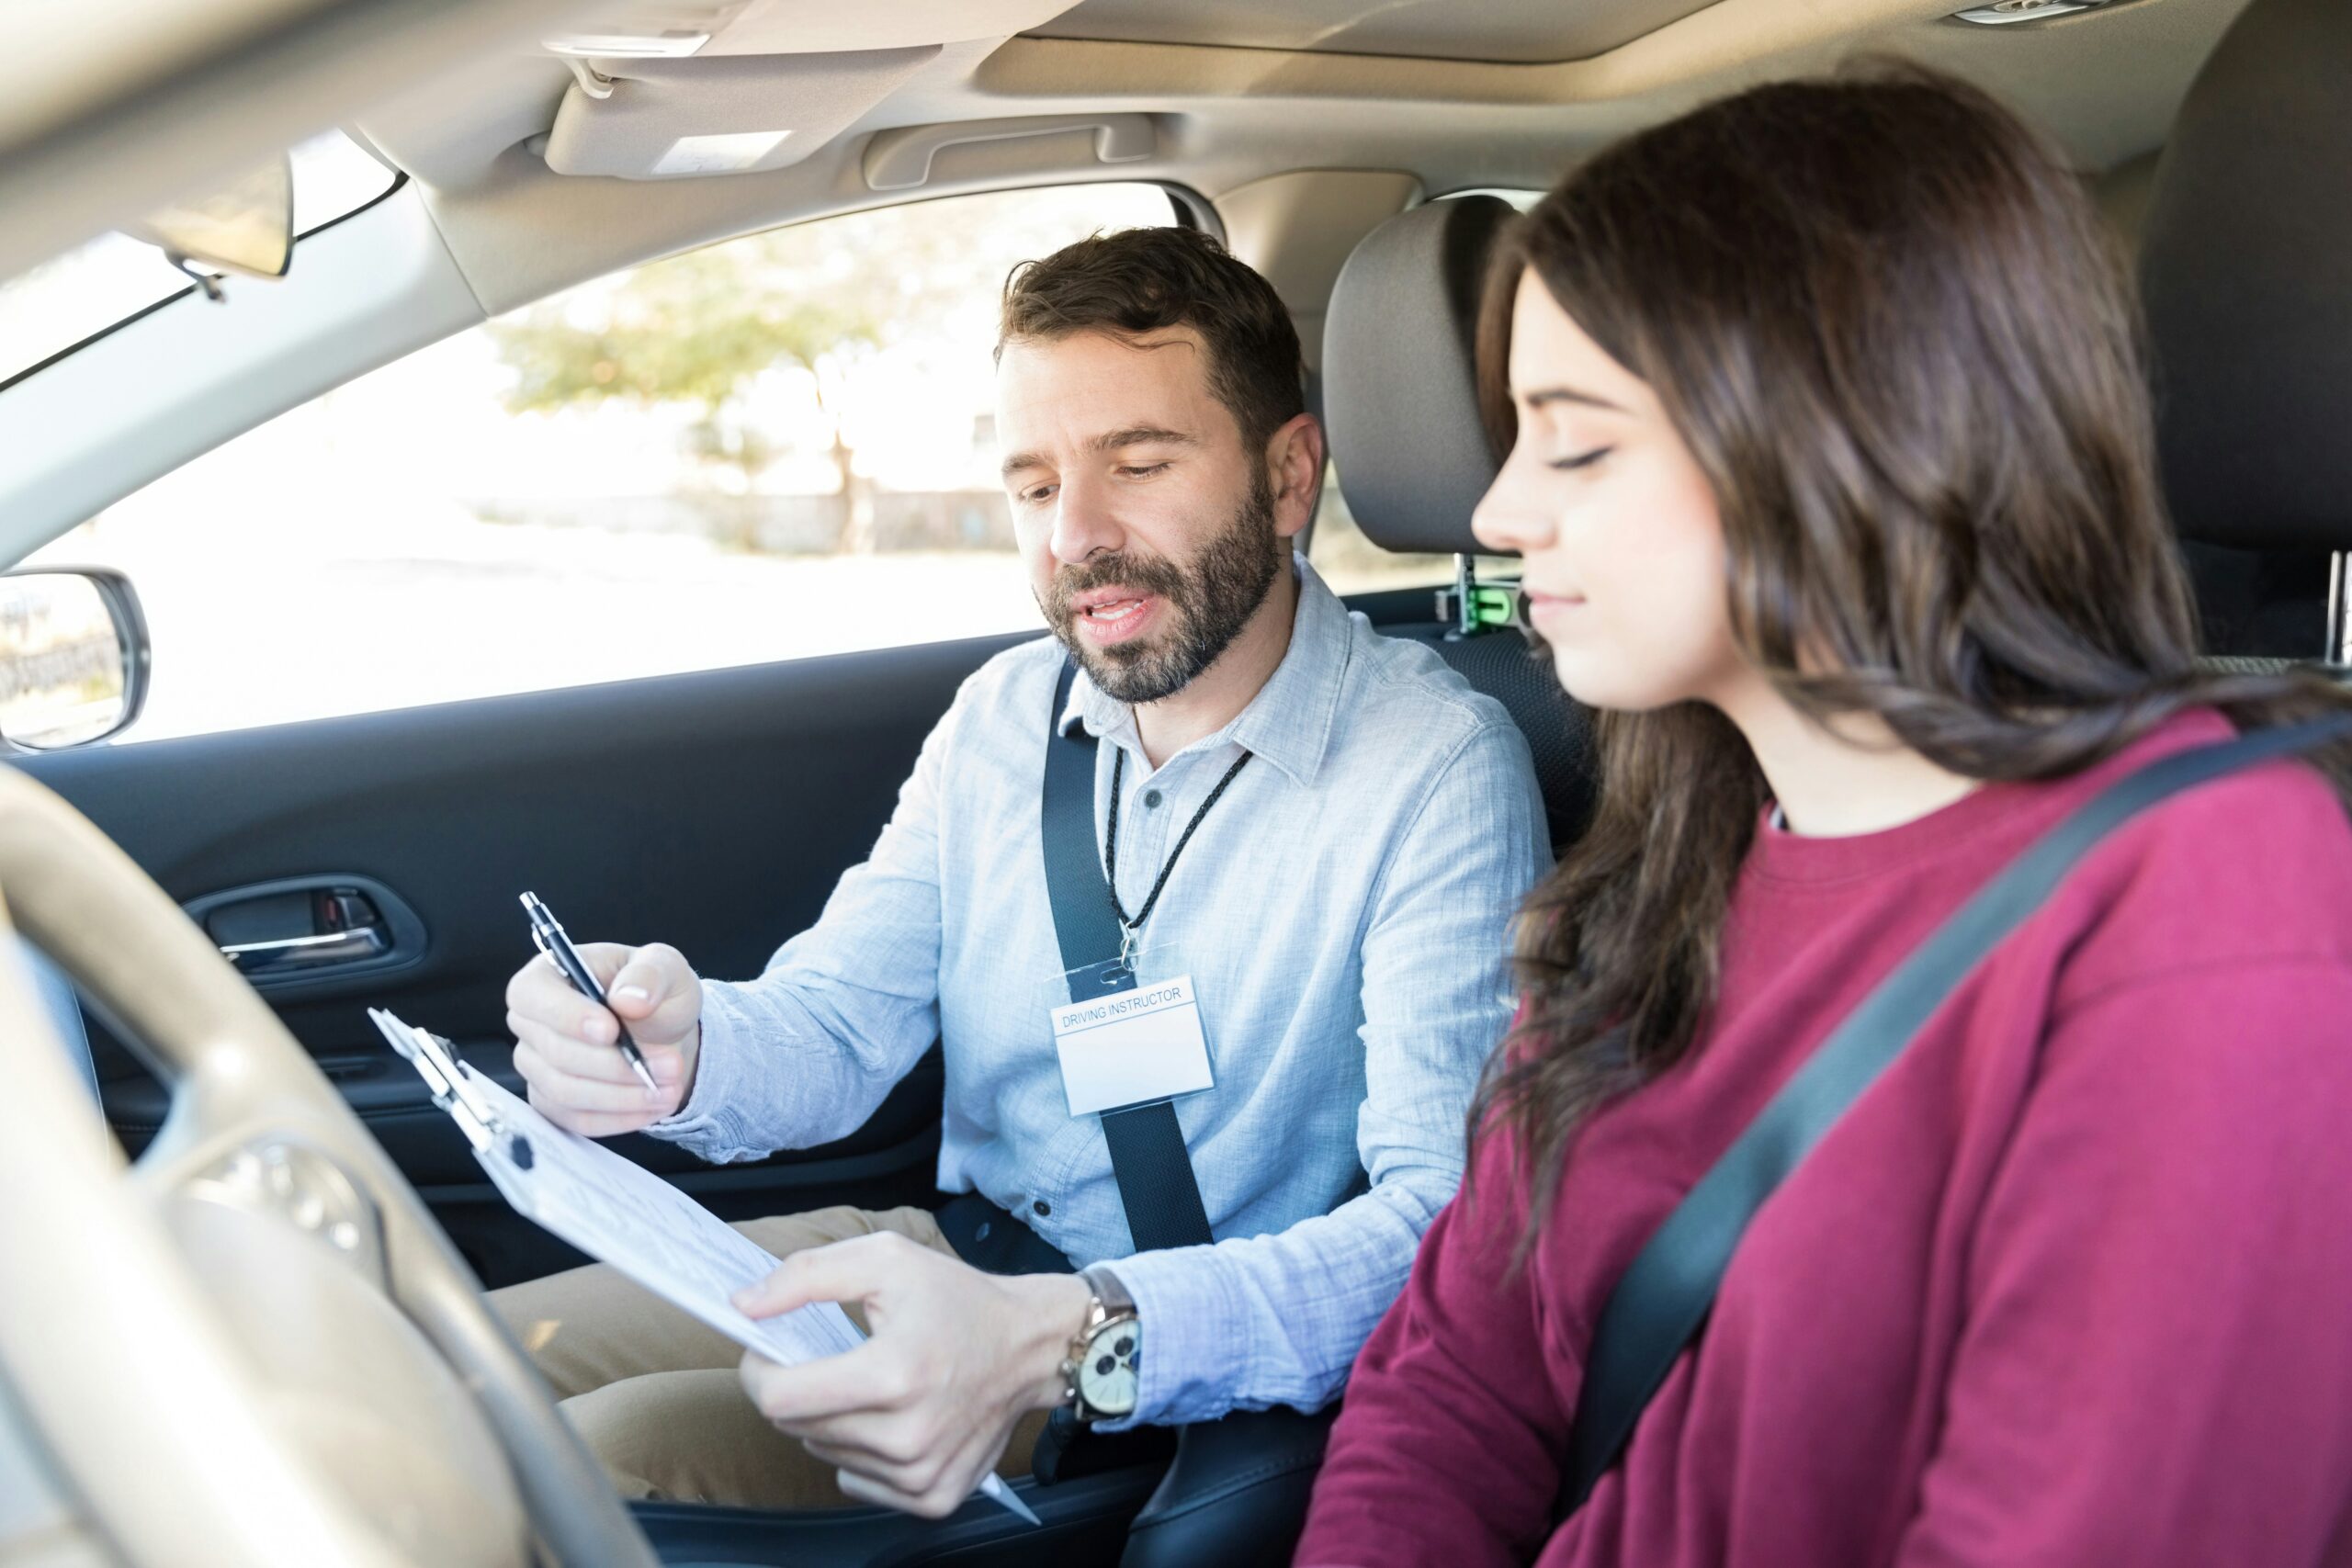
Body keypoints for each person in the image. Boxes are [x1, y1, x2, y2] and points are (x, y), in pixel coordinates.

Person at [1297, 66, 2352, 1568]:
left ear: (1833, 433)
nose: (1499, 511)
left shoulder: (2207, 899)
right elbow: (1456, 1381)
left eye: (1577, 440)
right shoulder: (1661, 864)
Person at [492, 223, 1547, 1517]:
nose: (1074, 540)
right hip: (932, 1254)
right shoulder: (1006, 715)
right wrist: (676, 1043)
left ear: (1287, 476)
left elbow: (1443, 1232)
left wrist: (1070, 1331)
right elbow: (836, 1022)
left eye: (1137, 464)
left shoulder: (1437, 768)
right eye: (1036, 487)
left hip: (1144, 1361)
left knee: (584, 1463)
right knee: (441, 1355)